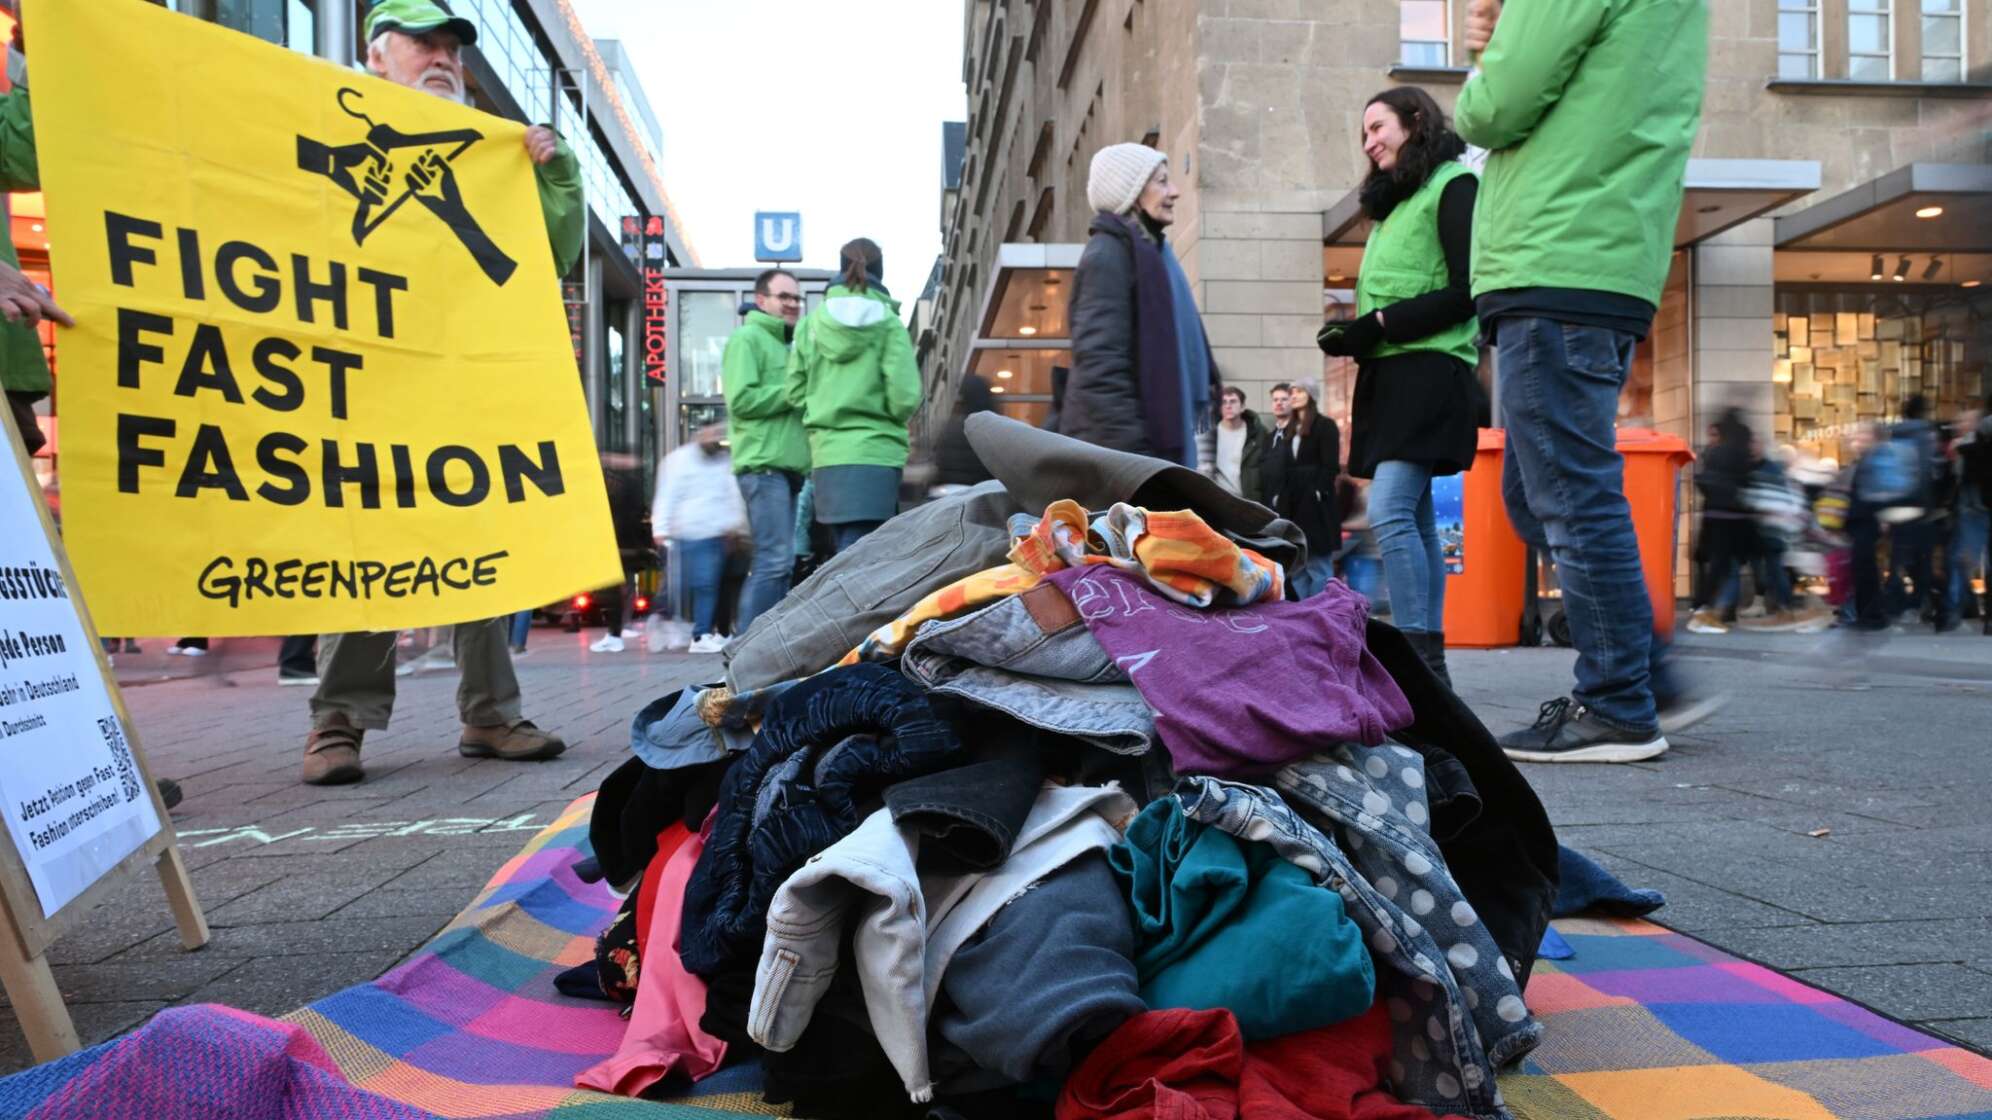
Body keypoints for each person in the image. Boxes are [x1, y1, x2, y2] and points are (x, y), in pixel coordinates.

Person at [300, 0, 585, 786]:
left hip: (462, 382)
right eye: (421, 42)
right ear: (374, 57)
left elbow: (549, 256)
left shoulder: (493, 154)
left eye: (451, 48)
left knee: (481, 544)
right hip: (369, 378)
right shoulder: (328, 132)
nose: (441, 57)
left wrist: (557, 172)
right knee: (370, 545)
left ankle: (489, 714)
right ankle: (338, 721)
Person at [1456, 0, 1709, 763]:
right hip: (1596, 257)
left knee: (1567, 493)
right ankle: (1643, 672)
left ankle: (1617, 703)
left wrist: (1493, 51)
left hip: (1557, 255)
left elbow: (1492, 108)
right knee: (1538, 493)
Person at [1318, 86, 1482, 686]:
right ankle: (1431, 663)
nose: (1369, 142)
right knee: (1413, 521)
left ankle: (1417, 662)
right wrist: (1359, 335)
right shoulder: (1397, 204)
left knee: (1389, 512)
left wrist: (1378, 324)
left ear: (1415, 122)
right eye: (1363, 134)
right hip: (1391, 375)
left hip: (1430, 373)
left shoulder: (1453, 185)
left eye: (1377, 127)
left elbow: (1466, 291)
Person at [1061, 143, 1222, 471]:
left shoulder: (1157, 257)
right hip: (1128, 461)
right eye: (1162, 181)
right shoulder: (1107, 256)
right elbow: (1101, 371)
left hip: (1147, 457)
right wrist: (1140, 466)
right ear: (1131, 192)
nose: (1174, 192)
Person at [784, 238, 921, 555]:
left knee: (844, 549)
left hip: (827, 455)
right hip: (877, 453)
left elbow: (793, 392)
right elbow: (904, 397)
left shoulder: (810, 326)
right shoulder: (889, 324)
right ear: (879, 272)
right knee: (865, 557)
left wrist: (823, 406)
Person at [725, 268, 808, 632]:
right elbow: (740, 400)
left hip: (786, 470)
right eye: (784, 296)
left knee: (782, 563)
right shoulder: (748, 338)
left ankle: (761, 646)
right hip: (763, 466)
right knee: (774, 562)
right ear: (761, 300)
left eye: (796, 298)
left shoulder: (788, 345)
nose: (792, 304)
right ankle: (745, 648)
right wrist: (792, 393)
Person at [653, 425, 747, 654]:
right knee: (688, 586)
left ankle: (700, 633)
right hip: (687, 533)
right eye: (711, 433)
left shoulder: (723, 462)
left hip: (712, 534)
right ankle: (676, 624)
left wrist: (734, 526)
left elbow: (731, 495)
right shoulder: (678, 461)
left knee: (705, 586)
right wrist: (661, 528)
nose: (715, 438)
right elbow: (668, 494)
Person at [1263, 381, 1341, 600]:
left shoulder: (1325, 425)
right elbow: (1283, 466)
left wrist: (1319, 491)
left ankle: (1319, 612)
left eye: (1299, 391)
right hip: (1293, 503)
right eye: (1293, 391)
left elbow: (1330, 465)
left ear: (1311, 395)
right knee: (1298, 568)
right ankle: (1306, 613)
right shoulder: (1289, 430)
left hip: (1316, 505)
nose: (1293, 395)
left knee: (1318, 565)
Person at [1685, 411, 1756, 635]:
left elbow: (1703, 481)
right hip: (1732, 518)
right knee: (1724, 566)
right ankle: (1712, 610)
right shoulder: (1737, 453)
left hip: (1719, 517)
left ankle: (1710, 609)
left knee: (1722, 566)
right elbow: (1745, 483)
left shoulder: (1715, 454)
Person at [590, 453, 655, 653]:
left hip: (620, 544)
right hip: (626, 545)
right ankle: (617, 631)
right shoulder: (634, 484)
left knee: (614, 590)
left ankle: (615, 634)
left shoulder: (623, 485)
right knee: (620, 588)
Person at [1948, 399, 1990, 635]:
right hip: (1975, 507)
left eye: (1964, 420)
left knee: (1963, 558)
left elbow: (1960, 476)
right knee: (1966, 559)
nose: (1959, 424)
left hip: (1972, 507)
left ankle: (1956, 610)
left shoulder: (1966, 446)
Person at [933, 372, 998, 492]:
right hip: (980, 493)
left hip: (947, 491)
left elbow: (940, 464)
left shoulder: (951, 427)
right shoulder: (994, 430)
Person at [1212, 385, 1268, 502]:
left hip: (1248, 500)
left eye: (1233, 401)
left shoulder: (1258, 433)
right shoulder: (1209, 434)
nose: (1228, 406)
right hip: (1217, 500)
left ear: (1242, 407)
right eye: (1224, 402)